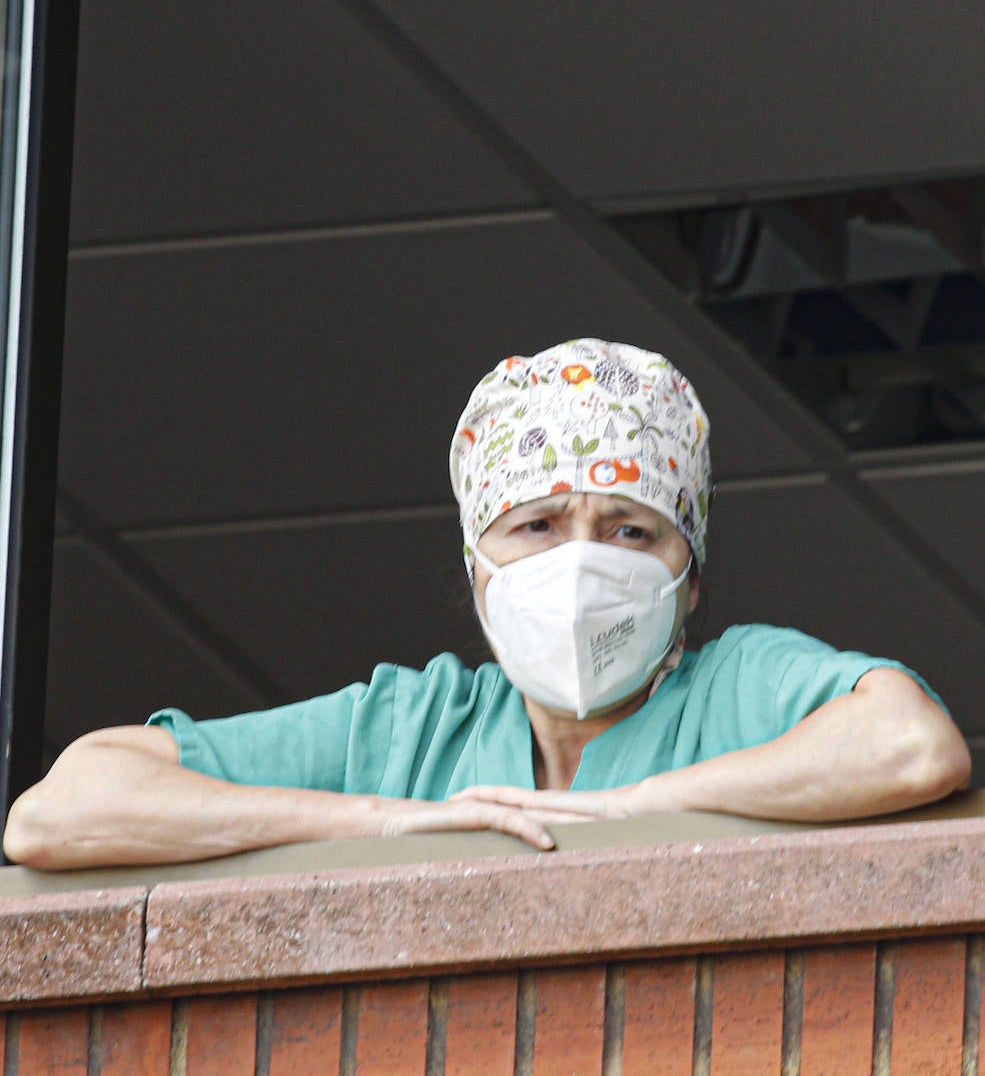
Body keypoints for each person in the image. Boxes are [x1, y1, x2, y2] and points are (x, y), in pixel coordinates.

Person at [3, 339, 970, 870]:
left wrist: (632, 808)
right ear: (477, 571)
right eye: (538, 525)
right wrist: (384, 825)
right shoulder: (413, 728)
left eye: (630, 530)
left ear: (692, 576)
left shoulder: (738, 688)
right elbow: (59, 812)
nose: (583, 563)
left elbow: (910, 746)